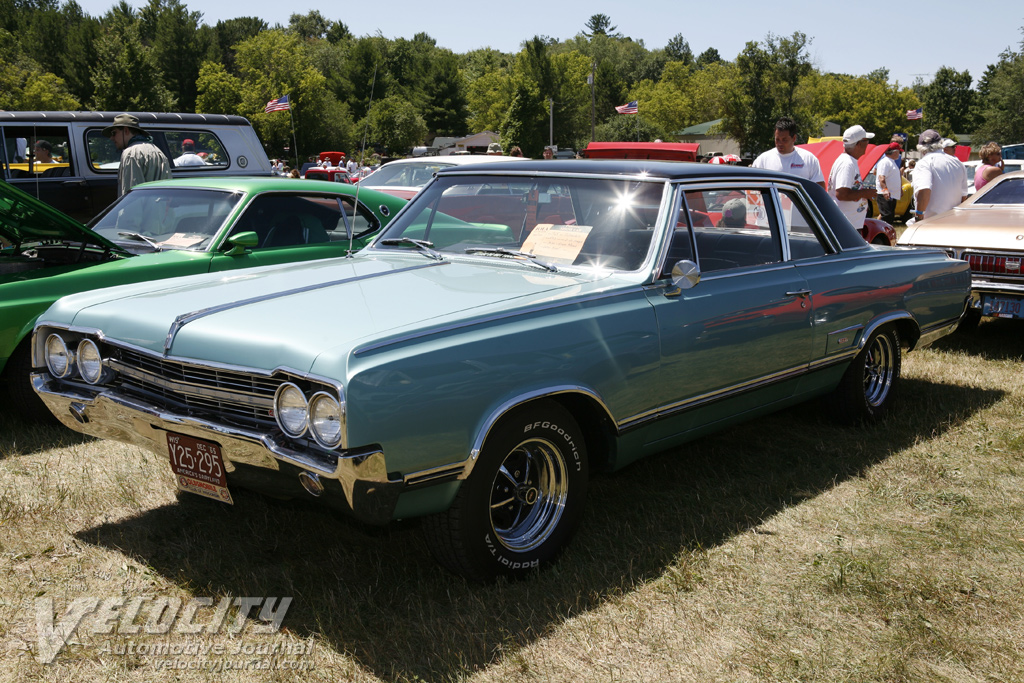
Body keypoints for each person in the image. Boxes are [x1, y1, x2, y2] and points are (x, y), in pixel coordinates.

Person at [102, 113, 171, 196]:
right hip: (160, 208)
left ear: (126, 130)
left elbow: (131, 195)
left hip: (142, 209)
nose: (112, 138)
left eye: (114, 133)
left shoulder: (131, 153)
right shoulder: (157, 151)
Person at [751, 117, 825, 188]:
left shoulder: (809, 159)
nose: (780, 143)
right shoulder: (762, 160)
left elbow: (819, 188)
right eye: (777, 139)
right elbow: (752, 187)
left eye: (784, 140)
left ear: (794, 138)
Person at [827, 125, 876, 230]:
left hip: (847, 223)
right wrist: (866, 193)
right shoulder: (847, 163)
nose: (868, 143)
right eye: (866, 140)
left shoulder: (848, 161)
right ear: (859, 144)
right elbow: (841, 194)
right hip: (845, 225)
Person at [912, 129, 966, 220]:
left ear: (920, 148)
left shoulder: (924, 163)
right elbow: (964, 196)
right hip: (954, 220)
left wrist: (919, 215)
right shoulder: (958, 163)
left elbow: (924, 189)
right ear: (940, 143)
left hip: (932, 221)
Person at [875, 142, 903, 225]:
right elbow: (881, 177)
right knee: (886, 216)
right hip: (885, 194)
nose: (899, 154)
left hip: (891, 194)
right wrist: (885, 189)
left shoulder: (891, 161)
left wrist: (899, 189)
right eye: (899, 152)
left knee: (889, 216)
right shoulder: (885, 162)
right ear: (895, 152)